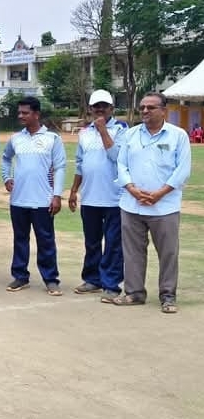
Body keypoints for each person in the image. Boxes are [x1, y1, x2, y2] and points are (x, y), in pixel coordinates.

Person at [112, 92, 191, 314]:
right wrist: (132, 189)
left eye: (151, 107)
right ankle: (134, 293)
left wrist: (159, 194)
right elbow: (121, 164)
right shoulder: (131, 134)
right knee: (132, 252)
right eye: (142, 107)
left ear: (164, 110)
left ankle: (168, 296)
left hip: (164, 207)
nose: (145, 111)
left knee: (168, 253)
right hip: (132, 204)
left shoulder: (178, 136)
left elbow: (182, 170)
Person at [1, 96, 67, 296]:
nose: (21, 116)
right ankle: (20, 276)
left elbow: (60, 167)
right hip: (18, 200)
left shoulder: (52, 139)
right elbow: (6, 158)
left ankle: (51, 279)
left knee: (46, 241)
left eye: (25, 112)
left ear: (36, 114)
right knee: (20, 239)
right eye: (19, 112)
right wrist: (6, 177)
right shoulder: (16, 138)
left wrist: (57, 196)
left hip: (43, 200)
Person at [68, 90, 128, 302]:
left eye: (104, 105)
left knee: (113, 244)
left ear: (112, 108)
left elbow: (118, 157)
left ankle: (111, 284)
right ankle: (92, 279)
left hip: (114, 198)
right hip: (90, 196)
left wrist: (103, 131)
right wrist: (74, 190)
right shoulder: (84, 133)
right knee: (92, 242)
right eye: (96, 106)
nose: (100, 109)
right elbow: (80, 164)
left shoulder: (122, 130)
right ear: (90, 109)